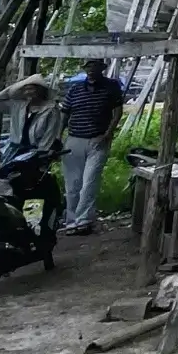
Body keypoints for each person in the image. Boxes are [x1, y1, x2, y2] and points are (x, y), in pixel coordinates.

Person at [58, 58, 127, 234]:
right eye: (88, 67)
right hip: (74, 139)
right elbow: (65, 113)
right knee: (72, 183)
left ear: (101, 69)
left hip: (97, 139)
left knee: (90, 181)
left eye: (95, 67)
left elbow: (118, 110)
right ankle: (71, 221)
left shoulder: (111, 86)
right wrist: (58, 136)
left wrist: (108, 133)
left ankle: (84, 220)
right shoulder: (75, 89)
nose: (91, 70)